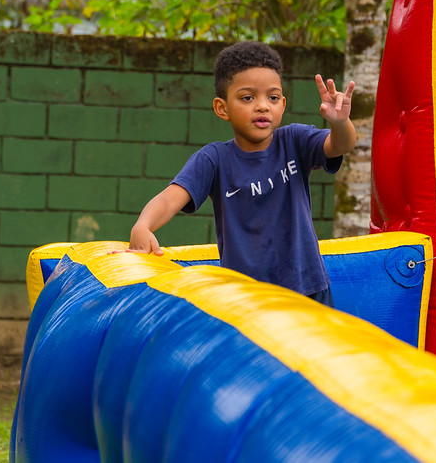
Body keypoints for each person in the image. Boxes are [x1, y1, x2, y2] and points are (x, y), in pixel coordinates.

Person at [126, 41, 356, 306]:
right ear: (222, 108)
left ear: (282, 104)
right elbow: (169, 198)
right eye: (248, 98)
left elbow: (341, 145)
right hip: (245, 301)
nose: (262, 106)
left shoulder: (295, 140)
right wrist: (143, 226)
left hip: (308, 289)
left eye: (272, 98)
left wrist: (340, 124)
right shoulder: (214, 160)